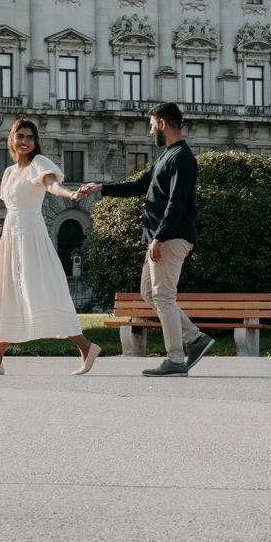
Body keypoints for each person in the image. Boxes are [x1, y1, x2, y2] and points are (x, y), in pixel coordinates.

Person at [77, 101, 215, 376]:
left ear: (163, 123)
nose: (151, 132)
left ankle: (176, 359)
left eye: (152, 126)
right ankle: (196, 338)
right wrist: (101, 188)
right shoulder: (166, 156)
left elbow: (177, 203)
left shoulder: (183, 158)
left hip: (171, 237)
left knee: (163, 295)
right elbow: (139, 186)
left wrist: (159, 237)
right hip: (161, 237)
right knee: (150, 293)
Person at [0, 118, 100, 376]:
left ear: (35, 142)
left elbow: (52, 185)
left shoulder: (39, 164)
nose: (24, 141)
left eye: (29, 137)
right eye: (20, 136)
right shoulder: (8, 172)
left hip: (31, 235)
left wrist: (71, 194)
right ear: (12, 140)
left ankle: (86, 346)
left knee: (41, 291)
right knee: (8, 293)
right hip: (11, 235)